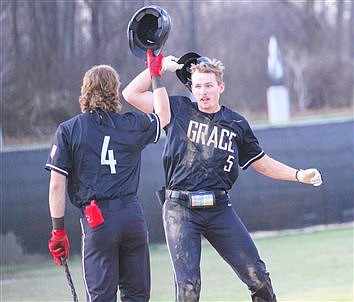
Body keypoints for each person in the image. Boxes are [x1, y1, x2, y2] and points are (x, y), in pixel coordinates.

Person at [122, 53, 323, 302]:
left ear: (220, 86)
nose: (203, 91)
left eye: (208, 85)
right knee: (188, 288)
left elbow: (261, 162)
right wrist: (158, 67)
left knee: (258, 276)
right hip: (180, 209)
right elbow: (131, 94)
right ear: (191, 88)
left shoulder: (236, 123)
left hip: (218, 208)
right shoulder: (176, 109)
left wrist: (298, 174)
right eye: (197, 86)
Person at [45, 50, 169, 302]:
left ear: (85, 91)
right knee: (137, 296)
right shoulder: (132, 123)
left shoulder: (69, 130)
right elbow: (164, 116)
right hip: (133, 217)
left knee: (101, 298)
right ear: (115, 91)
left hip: (97, 220)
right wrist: (155, 74)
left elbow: (57, 186)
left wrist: (58, 231)